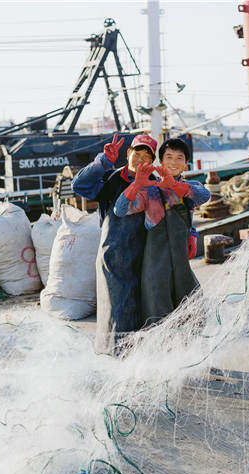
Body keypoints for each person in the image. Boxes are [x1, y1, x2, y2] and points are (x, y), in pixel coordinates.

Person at [72, 133, 157, 355]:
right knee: (115, 312)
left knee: (143, 309)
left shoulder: (155, 184)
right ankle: (113, 358)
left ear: (152, 162)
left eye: (147, 156)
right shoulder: (111, 179)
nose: (140, 160)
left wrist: (191, 231)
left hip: (144, 256)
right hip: (113, 257)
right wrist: (103, 162)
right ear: (128, 154)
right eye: (137, 153)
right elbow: (80, 186)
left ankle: (140, 358)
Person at [113, 137, 210, 326]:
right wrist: (137, 185)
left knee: (192, 308)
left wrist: (173, 185)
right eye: (169, 157)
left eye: (179, 158)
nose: (173, 162)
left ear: (186, 165)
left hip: (181, 263)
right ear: (161, 162)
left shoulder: (191, 188)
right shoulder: (150, 191)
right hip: (156, 264)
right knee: (158, 313)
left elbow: (204, 196)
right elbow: (120, 210)